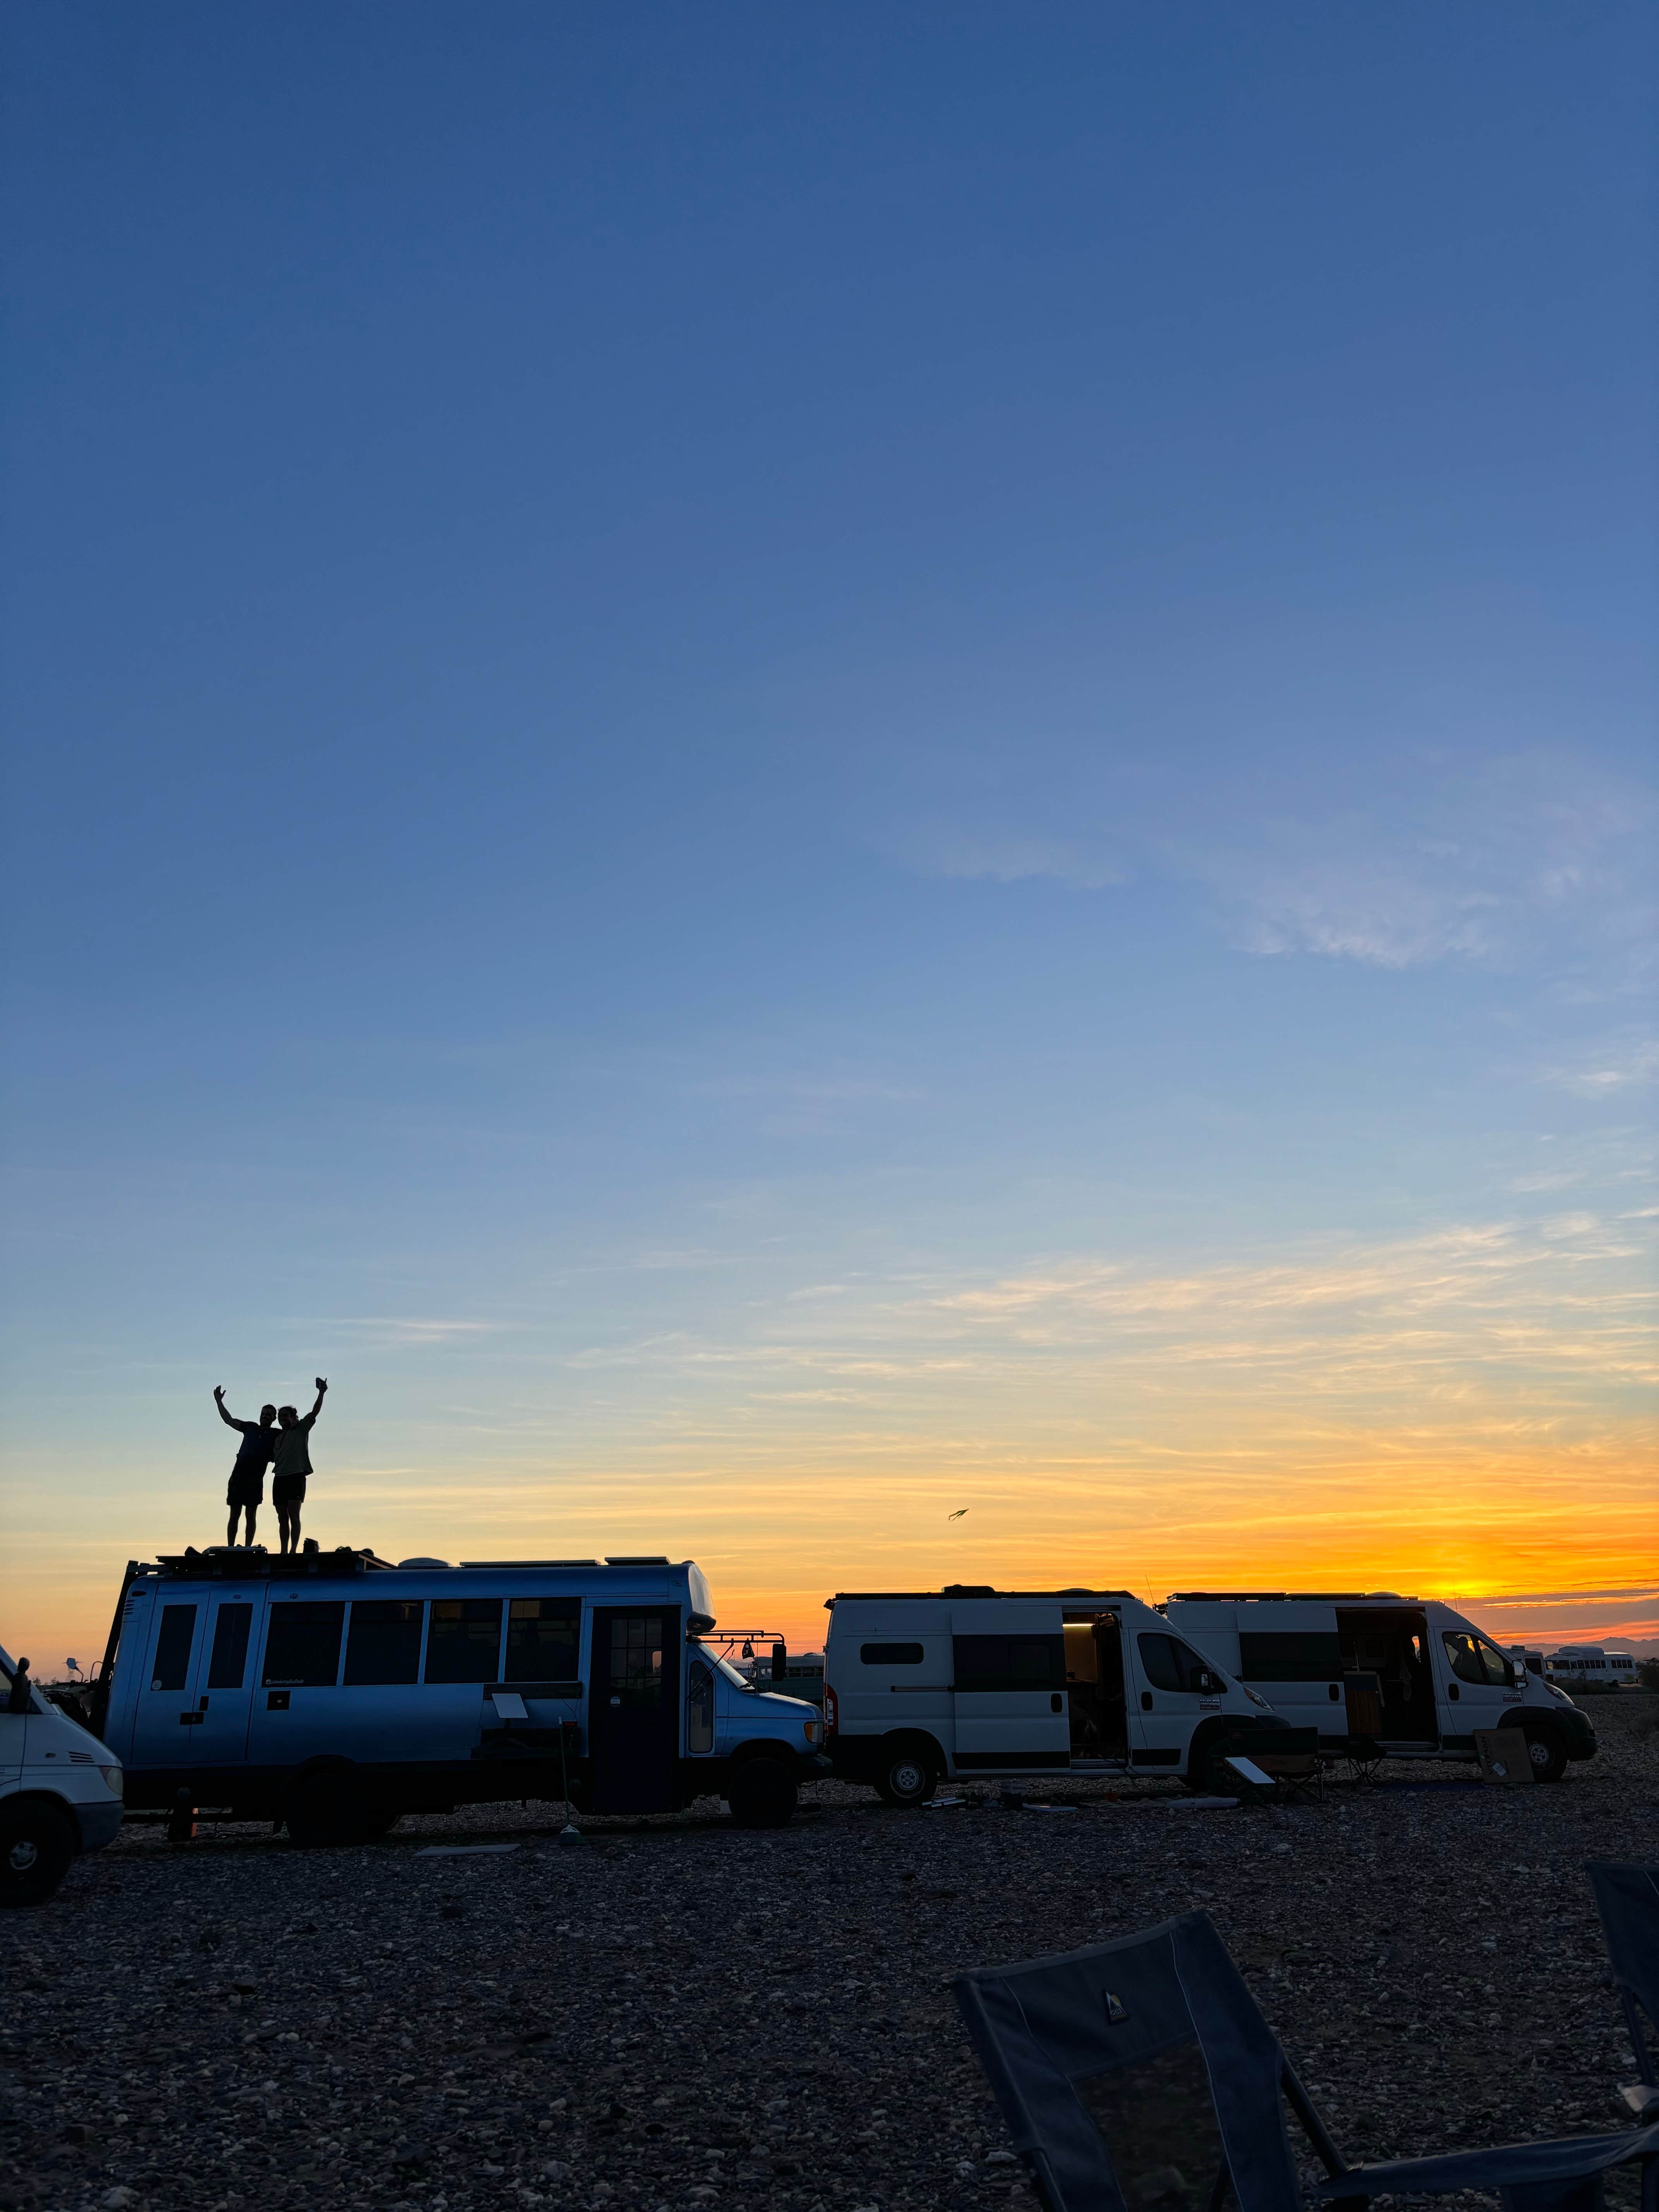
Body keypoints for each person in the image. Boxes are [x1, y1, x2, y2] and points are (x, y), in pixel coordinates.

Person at [213, 1387, 280, 1547]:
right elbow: (229, 1420)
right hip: (239, 1475)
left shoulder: (276, 1434)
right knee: (234, 1513)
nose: (265, 1416)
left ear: (274, 1418)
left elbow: (293, 1433)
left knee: (251, 1514)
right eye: (263, 1413)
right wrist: (219, 1401)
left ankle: (248, 1547)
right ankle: (231, 1546)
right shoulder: (250, 1427)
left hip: (255, 1478)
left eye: (269, 1415)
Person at [271, 1379, 328, 1556]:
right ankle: (283, 1552)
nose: (282, 1419)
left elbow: (315, 1412)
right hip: (279, 1477)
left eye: (286, 1416)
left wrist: (321, 1393)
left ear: (293, 1418)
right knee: (282, 1518)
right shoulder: (278, 1438)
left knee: (294, 1515)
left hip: (296, 1476)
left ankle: (294, 1550)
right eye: (280, 1417)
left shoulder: (301, 1428)